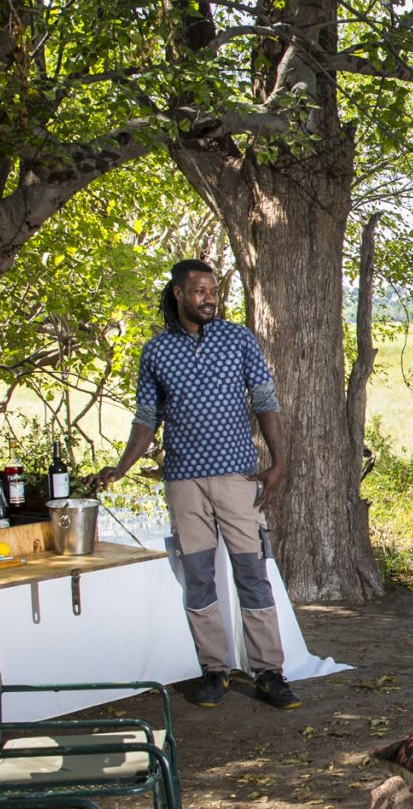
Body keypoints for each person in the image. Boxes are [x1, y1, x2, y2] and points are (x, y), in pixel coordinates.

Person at [95, 259, 302, 710]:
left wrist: (279, 462)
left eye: (213, 290)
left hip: (237, 477)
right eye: (200, 291)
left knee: (252, 574)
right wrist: (121, 466)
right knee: (199, 579)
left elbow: (266, 401)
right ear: (178, 294)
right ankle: (214, 669)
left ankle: (269, 672)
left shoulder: (237, 339)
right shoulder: (156, 351)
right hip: (183, 483)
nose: (210, 298)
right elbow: (147, 419)